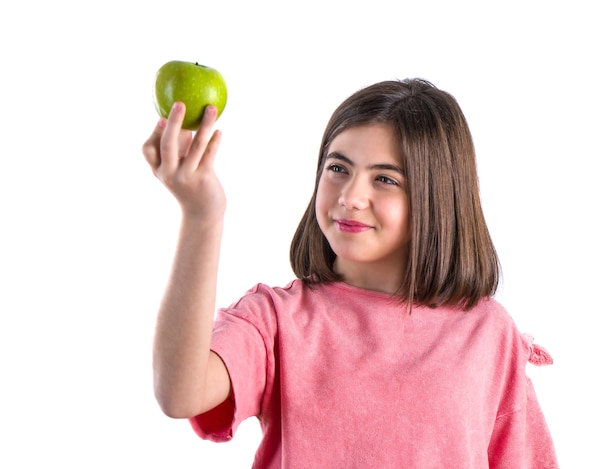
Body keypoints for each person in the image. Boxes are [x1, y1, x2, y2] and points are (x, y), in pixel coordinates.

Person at [142, 78, 559, 468]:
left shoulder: (488, 333)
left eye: (384, 179)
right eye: (338, 168)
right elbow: (181, 393)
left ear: (435, 195)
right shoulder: (274, 320)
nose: (351, 197)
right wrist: (201, 216)